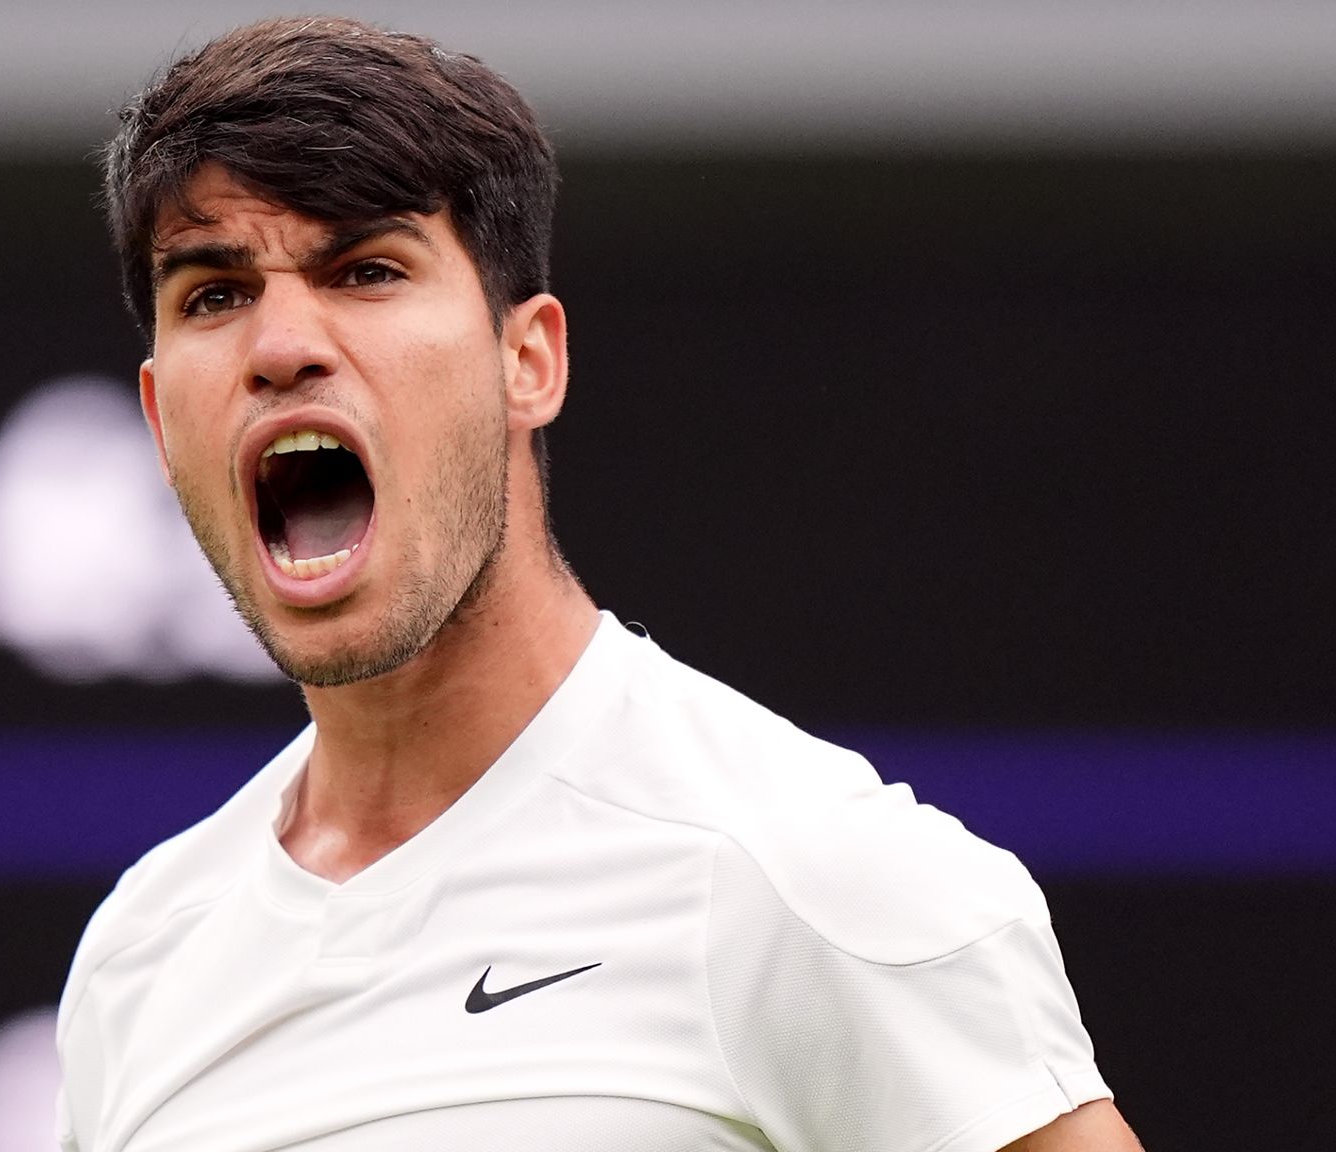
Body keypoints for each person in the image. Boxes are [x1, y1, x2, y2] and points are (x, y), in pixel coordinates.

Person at [55, 16, 1141, 1152]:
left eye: (365, 270)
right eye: (213, 294)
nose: (280, 345)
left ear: (527, 362)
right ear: (157, 416)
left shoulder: (807, 874)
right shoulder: (143, 954)